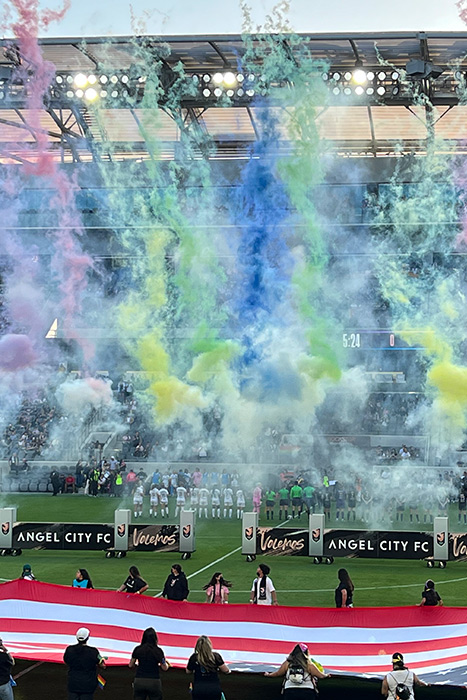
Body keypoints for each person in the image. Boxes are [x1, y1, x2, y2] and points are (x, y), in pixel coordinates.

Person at [264, 643, 330, 698]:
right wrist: (327, 675)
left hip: (290, 690)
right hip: (307, 691)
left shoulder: (287, 663)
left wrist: (268, 674)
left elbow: (278, 673)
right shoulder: (309, 664)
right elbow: (320, 675)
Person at [63, 627, 106, 700]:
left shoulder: (69, 650)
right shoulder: (93, 651)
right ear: (88, 638)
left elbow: (66, 661)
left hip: (73, 683)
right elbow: (102, 665)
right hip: (88, 685)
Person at [186, 635, 230, 700]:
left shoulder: (194, 658)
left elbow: (188, 671)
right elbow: (226, 670)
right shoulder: (215, 657)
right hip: (214, 690)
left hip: (199, 690)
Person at [129, 627, 168, 700]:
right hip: (154, 681)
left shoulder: (138, 649)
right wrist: (166, 663)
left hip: (139, 680)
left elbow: (130, 665)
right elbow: (164, 667)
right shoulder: (158, 651)